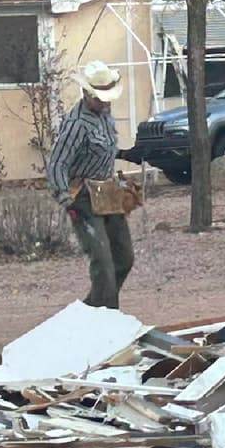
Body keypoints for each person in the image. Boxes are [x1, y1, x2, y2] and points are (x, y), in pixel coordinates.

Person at [48, 60, 134, 310]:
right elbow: (57, 162)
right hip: (83, 195)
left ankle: (94, 308)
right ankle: (107, 313)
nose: (105, 103)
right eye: (100, 98)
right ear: (86, 94)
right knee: (103, 261)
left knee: (124, 258)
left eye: (108, 98)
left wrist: (126, 154)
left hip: (108, 190)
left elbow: (102, 149)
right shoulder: (76, 124)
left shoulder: (105, 118)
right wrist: (65, 197)